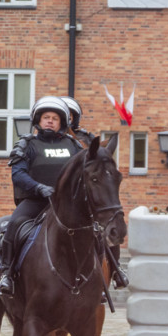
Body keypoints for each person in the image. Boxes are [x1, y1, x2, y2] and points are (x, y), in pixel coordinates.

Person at [0, 96, 83, 296]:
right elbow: (18, 174)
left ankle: (110, 274)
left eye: (55, 118)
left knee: (94, 228)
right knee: (14, 223)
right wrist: (39, 188)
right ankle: (7, 274)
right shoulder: (28, 145)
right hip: (36, 201)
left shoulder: (74, 147)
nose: (50, 121)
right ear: (38, 120)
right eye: (46, 117)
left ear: (62, 122)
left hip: (67, 205)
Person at [61, 95, 129, 290]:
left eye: (69, 115)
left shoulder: (86, 140)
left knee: (104, 231)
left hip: (82, 197)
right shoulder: (43, 140)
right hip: (55, 195)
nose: (65, 119)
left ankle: (115, 271)